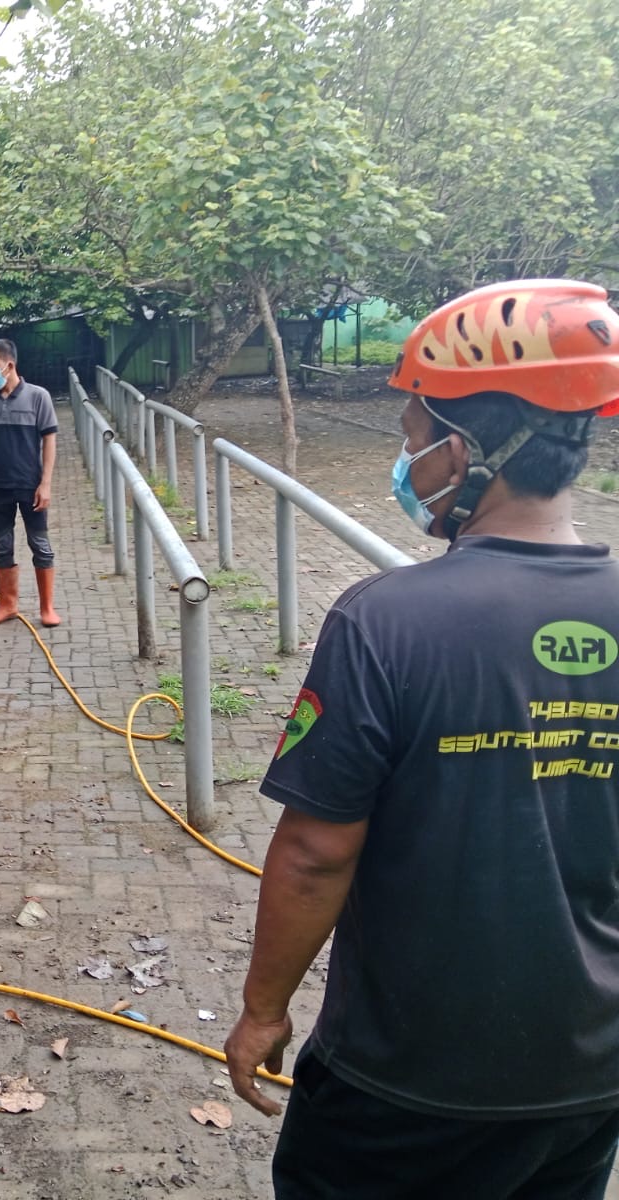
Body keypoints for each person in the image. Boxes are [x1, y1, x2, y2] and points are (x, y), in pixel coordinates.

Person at [223, 279, 619, 1199]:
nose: (406, 462)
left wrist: (260, 1012)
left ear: (469, 450)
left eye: (412, 439)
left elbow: (317, 852)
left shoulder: (384, 623)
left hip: (405, 1083)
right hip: (585, 1077)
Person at [0, 338, 60, 627]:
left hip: (30, 485)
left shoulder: (38, 397)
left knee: (40, 545)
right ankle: (7, 604)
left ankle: (47, 608)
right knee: (2, 546)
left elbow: (49, 441)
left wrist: (45, 483)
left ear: (9, 365)